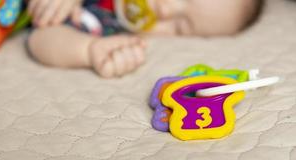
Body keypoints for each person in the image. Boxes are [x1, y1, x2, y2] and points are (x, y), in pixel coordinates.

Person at [27, 0, 264, 78]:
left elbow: (41, 38)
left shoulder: (105, 24)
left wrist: (89, 49)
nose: (167, 10)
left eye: (180, 26)